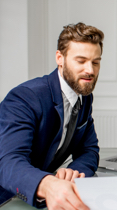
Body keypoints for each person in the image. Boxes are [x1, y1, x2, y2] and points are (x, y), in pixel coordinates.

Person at [0, 22, 104, 209]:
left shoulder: (84, 97)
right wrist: (48, 185)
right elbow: (8, 162)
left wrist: (73, 172)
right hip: (6, 198)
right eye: (81, 61)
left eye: (95, 62)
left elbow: (89, 150)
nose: (90, 70)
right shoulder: (25, 97)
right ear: (60, 58)